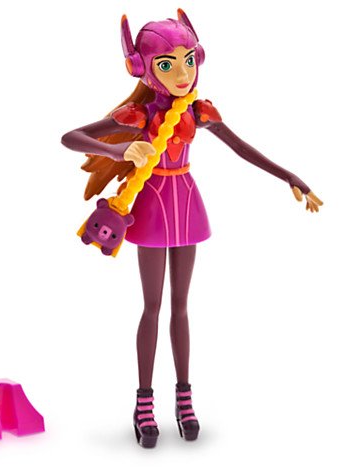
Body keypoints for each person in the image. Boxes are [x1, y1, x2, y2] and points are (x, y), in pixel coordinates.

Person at [61, 9, 322, 448]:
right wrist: (122, 150)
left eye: (187, 61)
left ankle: (184, 397)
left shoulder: (197, 112)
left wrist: (290, 176)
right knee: (152, 307)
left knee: (180, 307)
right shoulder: (139, 114)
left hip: (185, 203)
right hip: (151, 206)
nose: (182, 74)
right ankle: (144, 401)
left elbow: (241, 148)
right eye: (167, 65)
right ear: (143, 68)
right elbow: (71, 137)